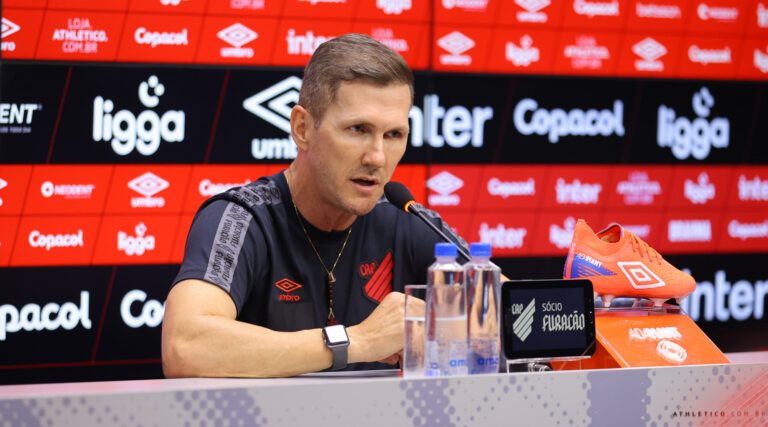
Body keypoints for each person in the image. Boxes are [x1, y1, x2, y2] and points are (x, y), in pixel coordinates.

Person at [162, 34, 454, 378]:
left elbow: (513, 319)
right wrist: (355, 341)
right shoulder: (242, 218)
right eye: (358, 129)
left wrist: (450, 336)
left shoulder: (407, 219)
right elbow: (185, 347)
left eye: (393, 135)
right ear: (302, 128)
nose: (377, 157)